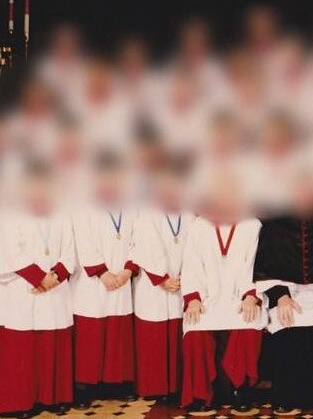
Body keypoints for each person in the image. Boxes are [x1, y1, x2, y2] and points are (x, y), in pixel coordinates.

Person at [253, 173, 313, 413]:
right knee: (286, 320)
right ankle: (287, 396)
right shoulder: (275, 224)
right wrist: (281, 297)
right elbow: (265, 266)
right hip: (287, 294)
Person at [181, 173, 266, 412]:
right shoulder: (200, 225)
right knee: (195, 327)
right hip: (208, 299)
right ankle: (200, 393)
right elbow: (191, 265)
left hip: (241, 297)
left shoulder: (252, 224)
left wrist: (251, 295)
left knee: (249, 322)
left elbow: (257, 264)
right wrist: (194, 299)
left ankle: (240, 387)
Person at [0, 160, 75, 418]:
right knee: (24, 346)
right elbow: (10, 248)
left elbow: (70, 248)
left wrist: (55, 275)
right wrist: (38, 278)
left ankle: (52, 397)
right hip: (23, 287)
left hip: (54, 287)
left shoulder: (61, 211)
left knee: (52, 342)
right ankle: (21, 402)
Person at [71, 152, 138, 407]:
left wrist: (128, 270)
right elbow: (83, 240)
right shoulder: (83, 204)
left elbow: (138, 238)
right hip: (93, 282)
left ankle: (116, 383)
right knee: (92, 331)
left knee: (117, 332)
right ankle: (85, 385)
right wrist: (102, 272)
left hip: (121, 278)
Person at [131, 158, 191, 401]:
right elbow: (146, 246)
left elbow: (194, 246)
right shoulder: (147, 211)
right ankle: (154, 388)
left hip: (180, 281)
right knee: (154, 338)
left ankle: (174, 385)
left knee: (175, 335)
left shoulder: (188, 212)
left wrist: (186, 275)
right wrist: (162, 278)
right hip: (154, 285)